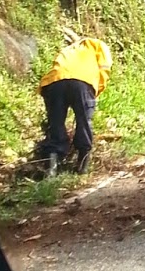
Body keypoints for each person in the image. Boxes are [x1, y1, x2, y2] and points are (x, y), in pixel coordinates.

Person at [35, 35, 112, 176]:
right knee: (84, 121)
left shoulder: (69, 49)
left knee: (56, 123)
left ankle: (51, 168)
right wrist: (95, 93)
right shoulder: (99, 45)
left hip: (55, 82)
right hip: (83, 82)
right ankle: (83, 165)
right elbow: (104, 70)